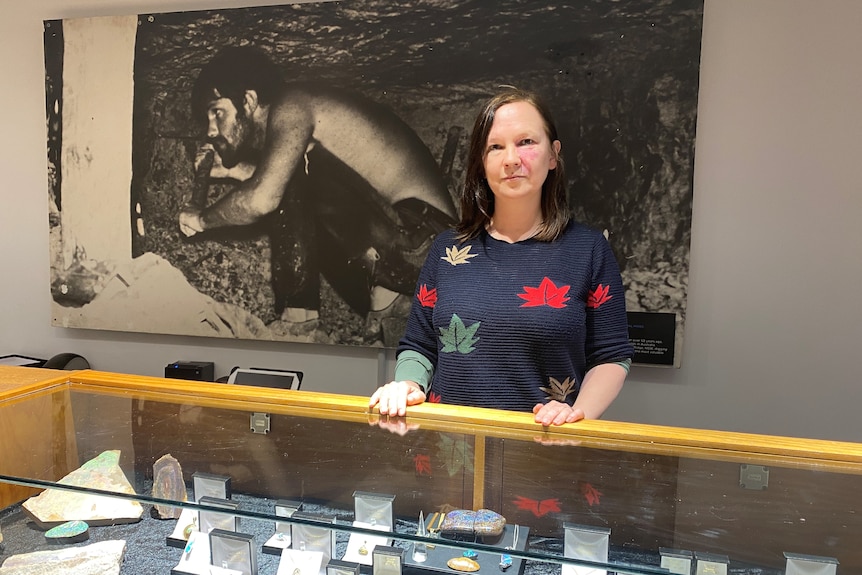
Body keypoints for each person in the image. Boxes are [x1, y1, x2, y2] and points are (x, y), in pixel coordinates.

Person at [369, 87, 633, 426]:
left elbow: (611, 356)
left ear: (553, 155)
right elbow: (419, 345)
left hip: (546, 450)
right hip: (450, 455)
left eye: (526, 142)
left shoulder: (589, 249)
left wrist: (576, 412)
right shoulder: (446, 250)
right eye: (495, 147)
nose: (511, 159)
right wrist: (407, 384)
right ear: (481, 163)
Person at [178, 46, 456, 343]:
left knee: (280, 186)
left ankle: (298, 323)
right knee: (288, 179)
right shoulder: (302, 132)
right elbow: (284, 181)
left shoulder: (293, 102)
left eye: (216, 112)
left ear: (247, 100)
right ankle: (389, 301)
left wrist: (202, 220)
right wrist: (231, 171)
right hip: (415, 258)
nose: (210, 130)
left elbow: (263, 197)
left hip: (429, 246)